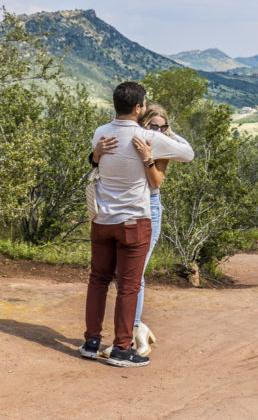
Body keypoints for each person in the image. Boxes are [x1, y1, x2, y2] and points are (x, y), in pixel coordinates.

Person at [79, 82, 194, 368]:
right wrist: (167, 132)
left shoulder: (100, 134)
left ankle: (91, 342)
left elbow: (96, 163)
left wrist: (96, 152)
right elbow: (188, 153)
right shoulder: (148, 138)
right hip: (133, 221)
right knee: (129, 286)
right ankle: (121, 348)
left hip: (102, 220)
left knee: (98, 280)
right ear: (139, 107)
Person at [92, 103, 183, 357]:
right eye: (153, 126)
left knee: (134, 273)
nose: (158, 130)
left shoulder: (160, 147)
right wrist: (97, 154)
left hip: (148, 208)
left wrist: (148, 157)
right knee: (125, 275)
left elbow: (155, 183)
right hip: (125, 210)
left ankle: (132, 331)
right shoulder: (125, 139)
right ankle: (135, 328)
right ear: (142, 124)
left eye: (163, 127)